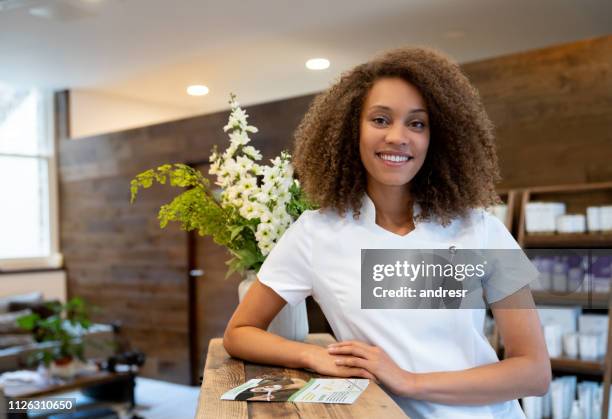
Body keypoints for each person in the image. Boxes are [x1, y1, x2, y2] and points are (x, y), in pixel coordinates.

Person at [223, 47, 551, 418]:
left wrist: (408, 380)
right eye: (380, 120)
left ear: (438, 138)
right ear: (351, 130)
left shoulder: (482, 230)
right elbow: (240, 331)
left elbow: (533, 371)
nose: (398, 136)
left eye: (417, 123)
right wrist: (315, 355)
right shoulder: (316, 233)